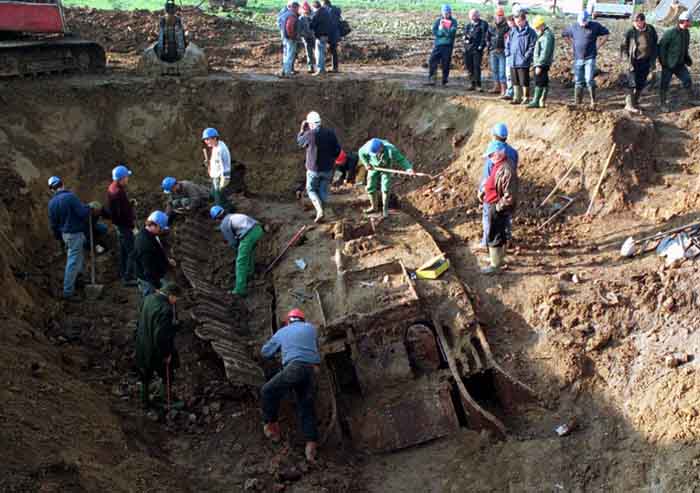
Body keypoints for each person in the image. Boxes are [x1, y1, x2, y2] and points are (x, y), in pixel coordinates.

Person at [261, 308, 321, 463]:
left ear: (288, 321)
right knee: (305, 406)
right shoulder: (311, 328)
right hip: (310, 370)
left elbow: (265, 352)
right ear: (302, 320)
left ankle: (271, 427)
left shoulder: (283, 331)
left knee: (267, 390)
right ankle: (311, 445)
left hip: (294, 367)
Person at [48, 176, 100, 301]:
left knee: (78, 256)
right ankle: (68, 291)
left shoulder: (52, 203)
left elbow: (53, 224)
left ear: (51, 189)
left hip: (65, 234)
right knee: (72, 261)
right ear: (63, 184)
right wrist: (89, 208)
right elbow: (82, 213)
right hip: (75, 233)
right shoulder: (70, 197)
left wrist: (58, 237)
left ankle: (78, 279)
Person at [135, 280, 181, 410]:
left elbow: (142, 321)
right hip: (155, 350)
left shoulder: (148, 299)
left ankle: (144, 401)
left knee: (145, 374)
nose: (175, 302)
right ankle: (164, 398)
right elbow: (161, 337)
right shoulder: (166, 310)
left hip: (142, 344)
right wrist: (166, 354)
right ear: (171, 295)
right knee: (169, 373)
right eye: (176, 299)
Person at [475, 124, 519, 252]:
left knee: (489, 218)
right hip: (505, 189)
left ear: (494, 135)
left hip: (494, 194)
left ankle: (486, 243)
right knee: (505, 216)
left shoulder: (494, 153)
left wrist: (482, 190)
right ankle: (508, 239)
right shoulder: (513, 153)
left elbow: (488, 175)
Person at [478, 141, 517, 274]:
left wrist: (498, 207)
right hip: (493, 203)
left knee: (495, 235)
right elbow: (492, 181)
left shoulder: (506, 169)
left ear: (500, 154)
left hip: (497, 206)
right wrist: (485, 191)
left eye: (491, 155)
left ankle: (495, 266)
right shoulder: (499, 164)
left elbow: (509, 196)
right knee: (499, 233)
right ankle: (498, 259)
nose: (490, 158)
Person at [296, 111, 341, 222]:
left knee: (311, 189)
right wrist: (332, 159)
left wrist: (302, 130)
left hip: (313, 169)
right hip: (328, 169)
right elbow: (338, 150)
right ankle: (322, 210)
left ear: (310, 124)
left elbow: (300, 142)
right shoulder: (330, 133)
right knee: (323, 190)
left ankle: (319, 210)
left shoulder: (309, 134)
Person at [210, 206, 264, 297]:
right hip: (258, 229)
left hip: (249, 234)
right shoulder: (232, 216)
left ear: (216, 219)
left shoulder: (224, 224)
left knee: (240, 262)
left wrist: (238, 251)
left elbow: (233, 242)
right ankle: (250, 273)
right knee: (249, 253)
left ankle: (239, 290)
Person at [358, 138, 415, 218]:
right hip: (373, 167)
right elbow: (360, 153)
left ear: (381, 147)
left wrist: (408, 168)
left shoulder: (390, 149)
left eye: (377, 152)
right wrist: (366, 164)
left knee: (386, 188)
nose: (376, 154)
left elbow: (401, 159)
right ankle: (374, 207)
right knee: (370, 186)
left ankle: (385, 209)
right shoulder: (367, 148)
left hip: (386, 167)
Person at [562, 11, 610, 107]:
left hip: (590, 57)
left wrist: (598, 45)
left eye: (584, 22)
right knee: (578, 80)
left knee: (588, 79)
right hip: (578, 57)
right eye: (581, 22)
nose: (583, 24)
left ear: (588, 20)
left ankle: (593, 101)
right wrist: (572, 45)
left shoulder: (595, 26)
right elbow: (564, 35)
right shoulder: (574, 27)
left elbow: (606, 34)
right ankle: (578, 102)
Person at [132, 210, 172, 308]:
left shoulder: (148, 233)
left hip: (153, 274)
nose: (161, 231)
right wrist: (157, 287)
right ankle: (147, 320)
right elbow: (148, 270)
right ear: (155, 225)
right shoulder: (145, 244)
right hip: (148, 280)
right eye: (161, 228)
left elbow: (158, 250)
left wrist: (167, 261)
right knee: (151, 304)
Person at [105, 164, 137, 286]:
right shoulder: (118, 192)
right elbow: (122, 213)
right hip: (124, 226)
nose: (128, 179)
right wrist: (132, 226)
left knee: (124, 250)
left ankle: (123, 273)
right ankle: (128, 278)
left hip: (119, 225)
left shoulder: (113, 188)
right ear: (121, 178)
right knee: (132, 251)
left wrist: (130, 204)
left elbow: (120, 209)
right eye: (126, 177)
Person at [621, 13, 658, 113]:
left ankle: (635, 102)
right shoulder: (630, 32)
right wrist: (627, 62)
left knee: (641, 83)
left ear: (643, 21)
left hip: (646, 61)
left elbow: (655, 44)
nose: (636, 25)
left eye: (638, 23)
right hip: (633, 61)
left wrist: (653, 60)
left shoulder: (650, 30)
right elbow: (624, 48)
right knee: (631, 83)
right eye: (635, 23)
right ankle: (629, 105)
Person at [658, 11, 694, 111]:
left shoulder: (686, 32)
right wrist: (664, 62)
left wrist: (687, 59)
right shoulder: (671, 33)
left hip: (680, 64)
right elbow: (661, 47)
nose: (691, 23)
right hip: (668, 64)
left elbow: (685, 48)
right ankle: (663, 104)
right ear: (685, 21)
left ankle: (691, 99)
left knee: (687, 79)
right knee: (664, 84)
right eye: (690, 21)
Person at [506, 12, 537, 105]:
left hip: (523, 61)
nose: (518, 23)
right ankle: (517, 97)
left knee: (524, 80)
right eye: (516, 21)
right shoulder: (513, 31)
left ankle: (526, 98)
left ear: (524, 20)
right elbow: (508, 43)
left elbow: (532, 46)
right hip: (513, 60)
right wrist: (508, 53)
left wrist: (526, 56)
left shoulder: (530, 32)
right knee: (514, 79)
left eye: (520, 21)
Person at [427, 4, 458, 86]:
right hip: (438, 45)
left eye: (448, 12)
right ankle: (432, 78)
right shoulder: (438, 21)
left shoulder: (453, 21)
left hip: (448, 45)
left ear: (450, 12)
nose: (446, 14)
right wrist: (441, 31)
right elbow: (435, 31)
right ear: (442, 12)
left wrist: (442, 29)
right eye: (445, 12)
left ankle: (445, 79)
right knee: (432, 60)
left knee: (446, 62)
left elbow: (451, 33)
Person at [528, 15, 555, 109]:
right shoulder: (544, 34)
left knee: (540, 80)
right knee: (542, 80)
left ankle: (537, 100)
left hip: (542, 63)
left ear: (541, 25)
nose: (536, 29)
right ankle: (540, 101)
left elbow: (545, 51)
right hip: (541, 62)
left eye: (537, 27)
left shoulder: (547, 36)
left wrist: (539, 64)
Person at [201, 127, 232, 209]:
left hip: (220, 178)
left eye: (208, 139)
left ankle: (226, 212)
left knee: (219, 199)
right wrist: (208, 163)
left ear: (215, 138)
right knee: (214, 194)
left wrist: (225, 179)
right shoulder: (216, 146)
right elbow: (216, 162)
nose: (206, 141)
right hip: (215, 176)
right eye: (205, 139)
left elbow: (225, 165)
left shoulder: (221, 149)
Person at [463, 9, 489, 91]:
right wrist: (465, 39)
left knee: (476, 66)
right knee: (469, 66)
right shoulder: (468, 25)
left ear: (478, 15)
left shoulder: (483, 24)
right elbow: (465, 35)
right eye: (471, 15)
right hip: (468, 49)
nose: (473, 16)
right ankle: (472, 83)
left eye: (474, 14)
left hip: (477, 49)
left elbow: (484, 36)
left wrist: (481, 45)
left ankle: (478, 84)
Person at [488, 6, 509, 95]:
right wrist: (489, 47)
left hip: (502, 52)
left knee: (502, 71)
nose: (499, 17)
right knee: (494, 70)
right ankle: (496, 86)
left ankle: (503, 89)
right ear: (495, 16)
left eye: (501, 15)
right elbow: (487, 37)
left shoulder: (507, 26)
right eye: (497, 15)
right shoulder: (491, 26)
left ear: (503, 16)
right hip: (493, 51)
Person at [278, 2, 300, 78]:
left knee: (286, 55)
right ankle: (287, 73)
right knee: (290, 55)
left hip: (285, 37)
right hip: (290, 39)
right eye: (297, 8)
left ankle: (284, 71)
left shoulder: (285, 14)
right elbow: (289, 27)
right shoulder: (292, 16)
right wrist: (293, 36)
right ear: (295, 8)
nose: (298, 10)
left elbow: (280, 25)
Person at [311, 0, 331, 75]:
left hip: (320, 36)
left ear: (314, 7)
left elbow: (313, 24)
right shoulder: (326, 12)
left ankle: (320, 70)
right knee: (322, 52)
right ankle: (323, 69)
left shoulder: (317, 14)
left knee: (319, 53)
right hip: (326, 35)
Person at [322, 0, 342, 72]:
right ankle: (334, 67)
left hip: (329, 33)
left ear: (325, 3)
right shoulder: (336, 9)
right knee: (333, 50)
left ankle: (325, 67)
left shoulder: (326, 11)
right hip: (336, 33)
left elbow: (327, 23)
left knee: (326, 50)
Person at [501, 15, 516, 100]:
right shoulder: (509, 32)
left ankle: (515, 93)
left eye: (510, 22)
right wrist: (507, 52)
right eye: (508, 22)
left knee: (515, 75)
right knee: (508, 75)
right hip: (509, 56)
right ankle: (509, 92)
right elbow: (507, 44)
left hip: (517, 57)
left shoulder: (517, 31)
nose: (509, 24)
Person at [298, 2, 316, 73]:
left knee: (316, 52)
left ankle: (319, 66)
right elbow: (300, 29)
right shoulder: (301, 18)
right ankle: (310, 67)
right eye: (304, 9)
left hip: (314, 36)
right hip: (306, 38)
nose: (306, 10)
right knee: (309, 53)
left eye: (307, 8)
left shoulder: (314, 16)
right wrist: (303, 35)